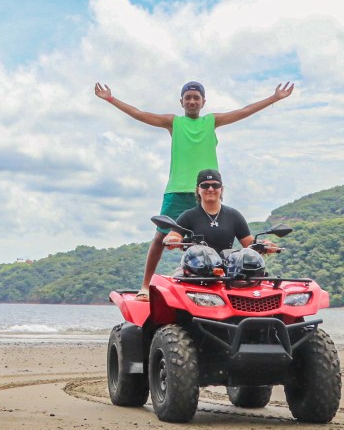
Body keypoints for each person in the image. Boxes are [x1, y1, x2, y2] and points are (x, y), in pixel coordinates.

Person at [94, 79, 293, 223]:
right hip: (177, 190)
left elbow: (243, 111)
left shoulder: (211, 121)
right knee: (161, 238)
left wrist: (274, 98)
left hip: (207, 189)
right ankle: (146, 283)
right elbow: (139, 114)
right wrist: (111, 98)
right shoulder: (174, 122)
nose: (192, 101)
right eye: (187, 98)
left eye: (196, 98)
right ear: (181, 101)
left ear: (203, 102)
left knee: (209, 234)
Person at [139, 168, 279, 299]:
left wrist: (264, 244)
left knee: (259, 285)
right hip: (196, 269)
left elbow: (249, 243)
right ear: (198, 190)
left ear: (221, 189)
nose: (210, 189)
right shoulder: (188, 215)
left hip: (229, 270)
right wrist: (172, 239)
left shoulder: (234, 215)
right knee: (173, 291)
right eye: (205, 185)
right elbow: (175, 234)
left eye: (215, 185)